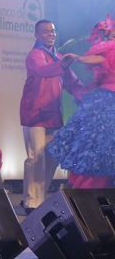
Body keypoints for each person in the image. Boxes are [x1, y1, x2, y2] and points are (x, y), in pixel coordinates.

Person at [20, 19, 84, 214]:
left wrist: (94, 95)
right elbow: (42, 71)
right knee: (36, 157)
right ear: (36, 35)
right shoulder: (35, 55)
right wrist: (62, 66)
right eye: (46, 31)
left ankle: (38, 198)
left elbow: (73, 83)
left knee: (52, 157)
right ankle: (31, 202)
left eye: (53, 31)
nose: (50, 34)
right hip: (35, 114)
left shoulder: (59, 57)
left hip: (54, 115)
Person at [48, 14, 115, 188]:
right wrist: (78, 58)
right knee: (96, 146)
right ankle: (86, 191)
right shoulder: (110, 48)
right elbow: (99, 59)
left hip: (106, 100)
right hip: (107, 101)